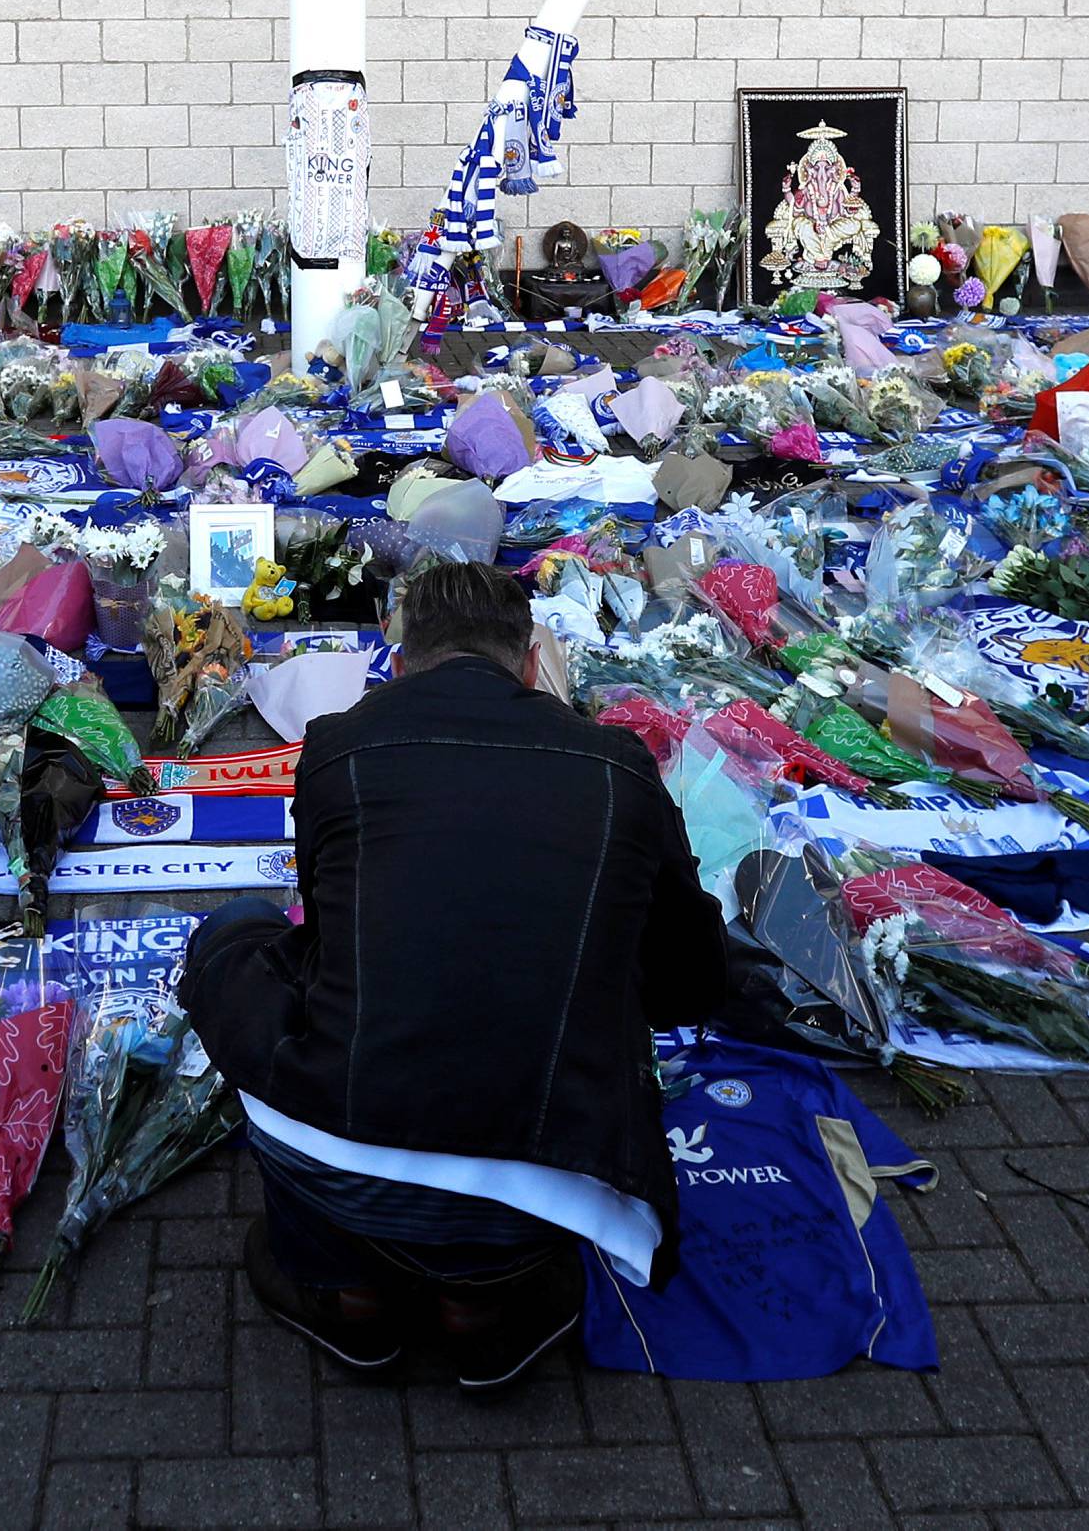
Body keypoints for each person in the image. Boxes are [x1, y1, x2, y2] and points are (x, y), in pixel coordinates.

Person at [180, 560, 726, 1391]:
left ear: (398, 662)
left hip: (346, 1146)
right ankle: (482, 1304)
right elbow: (693, 980)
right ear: (532, 662)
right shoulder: (619, 765)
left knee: (233, 933)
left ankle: (349, 1290)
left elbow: (324, 948)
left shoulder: (339, 745)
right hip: (561, 1174)